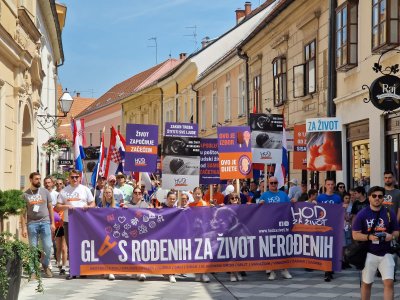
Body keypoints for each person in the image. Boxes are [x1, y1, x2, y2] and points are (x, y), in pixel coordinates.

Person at [352, 186, 399, 300]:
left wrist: (391, 236)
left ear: (383, 198)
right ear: (369, 198)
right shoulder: (362, 214)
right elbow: (355, 234)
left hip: (386, 253)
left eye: (380, 196)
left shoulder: (389, 213)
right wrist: (369, 237)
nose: (377, 198)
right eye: (374, 196)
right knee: (367, 284)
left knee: (389, 282)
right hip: (368, 253)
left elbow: (397, 231)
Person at [56, 169, 95, 280]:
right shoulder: (64, 191)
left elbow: (93, 203)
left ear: (80, 178)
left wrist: (88, 207)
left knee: (82, 245)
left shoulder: (85, 190)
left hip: (83, 222)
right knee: (71, 246)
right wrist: (66, 207)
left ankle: (82, 270)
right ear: (69, 178)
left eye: (76, 177)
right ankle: (73, 270)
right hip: (69, 222)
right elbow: (57, 206)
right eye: (72, 177)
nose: (74, 179)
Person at [21, 172, 55, 278]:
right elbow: (22, 213)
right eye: (36, 179)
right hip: (32, 223)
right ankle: (32, 270)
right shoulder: (25, 194)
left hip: (45, 222)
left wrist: (52, 223)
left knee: (48, 246)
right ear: (30, 180)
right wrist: (23, 228)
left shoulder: (45, 192)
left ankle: (45, 265)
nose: (39, 181)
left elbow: (50, 208)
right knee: (33, 247)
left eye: (40, 179)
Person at [260, 177, 292, 280]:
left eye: (275, 183)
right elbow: (258, 210)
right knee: (271, 248)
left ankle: (284, 270)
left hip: (282, 225)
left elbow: (290, 207)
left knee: (283, 247)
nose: (273, 184)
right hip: (270, 226)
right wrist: (260, 205)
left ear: (278, 183)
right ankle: (272, 271)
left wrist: (295, 202)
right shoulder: (264, 195)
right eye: (271, 183)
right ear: (268, 184)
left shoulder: (283, 194)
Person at [317, 178, 342, 282]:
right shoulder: (320, 197)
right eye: (328, 184)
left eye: (332, 184)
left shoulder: (337, 198)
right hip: (324, 226)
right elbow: (316, 211)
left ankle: (331, 267)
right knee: (325, 247)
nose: (330, 186)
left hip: (335, 226)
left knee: (333, 247)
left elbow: (340, 211)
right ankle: (327, 271)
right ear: (325, 185)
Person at [159, 191, 178, 283]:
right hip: (163, 235)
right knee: (164, 254)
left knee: (172, 254)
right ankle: (165, 272)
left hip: (174, 236)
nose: (172, 200)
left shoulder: (178, 209)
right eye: (170, 198)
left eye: (174, 199)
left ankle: (172, 274)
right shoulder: (162, 208)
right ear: (167, 199)